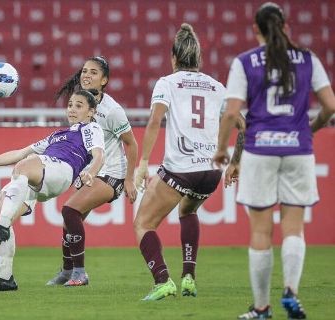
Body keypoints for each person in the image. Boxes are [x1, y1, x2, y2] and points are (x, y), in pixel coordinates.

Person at [213, 2, 335, 319]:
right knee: (294, 227)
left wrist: (222, 149)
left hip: (259, 151)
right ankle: (292, 290)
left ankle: (262, 307)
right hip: (299, 150)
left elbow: (231, 112)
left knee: (261, 232)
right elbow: (330, 105)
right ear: (285, 26)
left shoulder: (245, 62)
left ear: (256, 29)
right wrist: (313, 127)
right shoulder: (309, 59)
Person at [0, 89, 105, 291]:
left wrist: (91, 172)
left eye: (79, 105)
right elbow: (19, 152)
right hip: (42, 178)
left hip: (61, 169)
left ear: (91, 112)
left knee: (24, 166)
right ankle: (6, 279)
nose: (72, 109)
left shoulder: (90, 129)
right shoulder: (57, 135)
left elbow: (99, 155)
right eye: (70, 104)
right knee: (2, 209)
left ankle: (1, 228)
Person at [132, 23, 226, 301]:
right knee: (187, 211)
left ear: (174, 57)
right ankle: (189, 278)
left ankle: (163, 280)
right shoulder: (217, 86)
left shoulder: (167, 83)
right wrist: (235, 162)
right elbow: (242, 124)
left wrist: (143, 163)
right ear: (199, 58)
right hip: (211, 171)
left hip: (181, 168)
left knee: (143, 224)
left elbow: (154, 120)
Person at [44, 56, 139, 287]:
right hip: (91, 173)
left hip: (112, 174)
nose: (86, 75)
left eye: (94, 72)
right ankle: (67, 272)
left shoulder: (113, 111)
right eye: (85, 70)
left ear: (104, 80)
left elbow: (132, 144)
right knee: (69, 222)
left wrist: (129, 180)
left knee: (69, 210)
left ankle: (79, 273)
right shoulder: (80, 102)